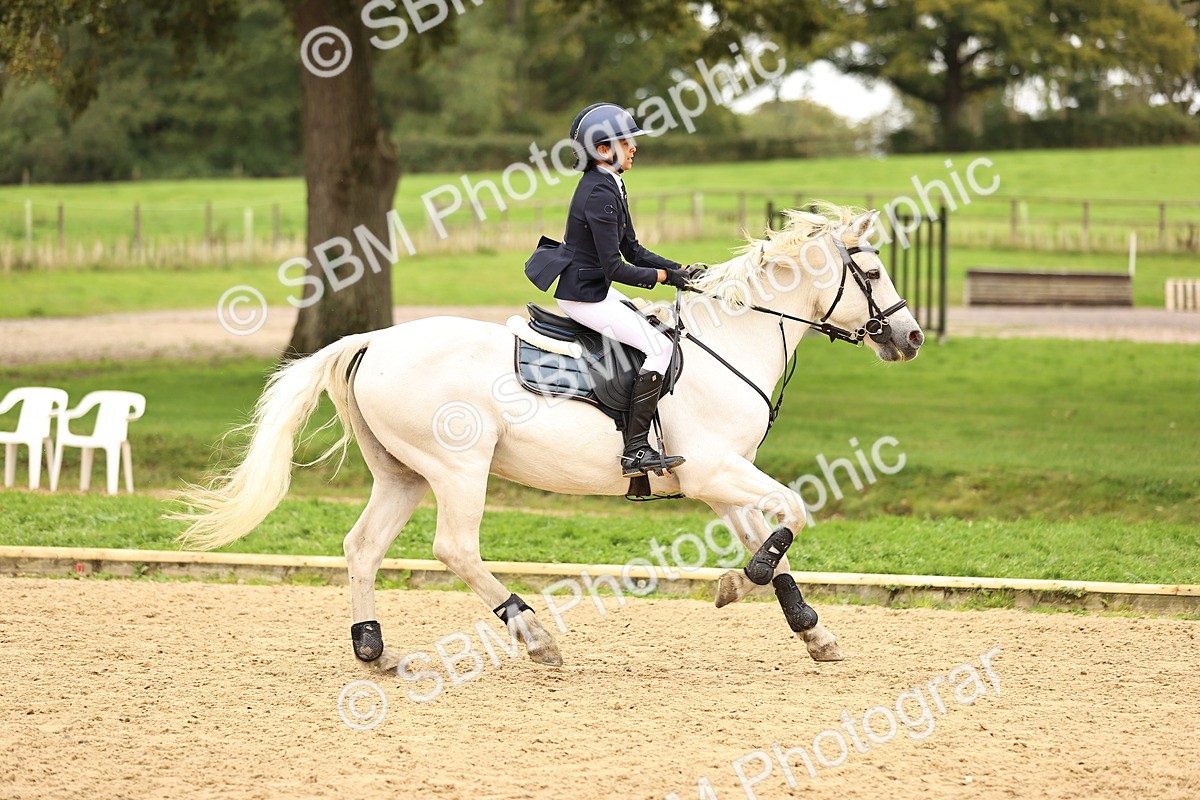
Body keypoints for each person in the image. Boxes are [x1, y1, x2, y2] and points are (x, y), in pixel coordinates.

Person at [524, 102, 700, 479]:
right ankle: (635, 450)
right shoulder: (599, 193)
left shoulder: (610, 183)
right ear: (604, 150)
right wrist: (666, 280)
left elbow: (633, 248)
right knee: (661, 349)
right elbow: (615, 267)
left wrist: (678, 268)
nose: (634, 147)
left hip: (594, 287)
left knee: (653, 333)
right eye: (627, 141)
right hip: (585, 295)